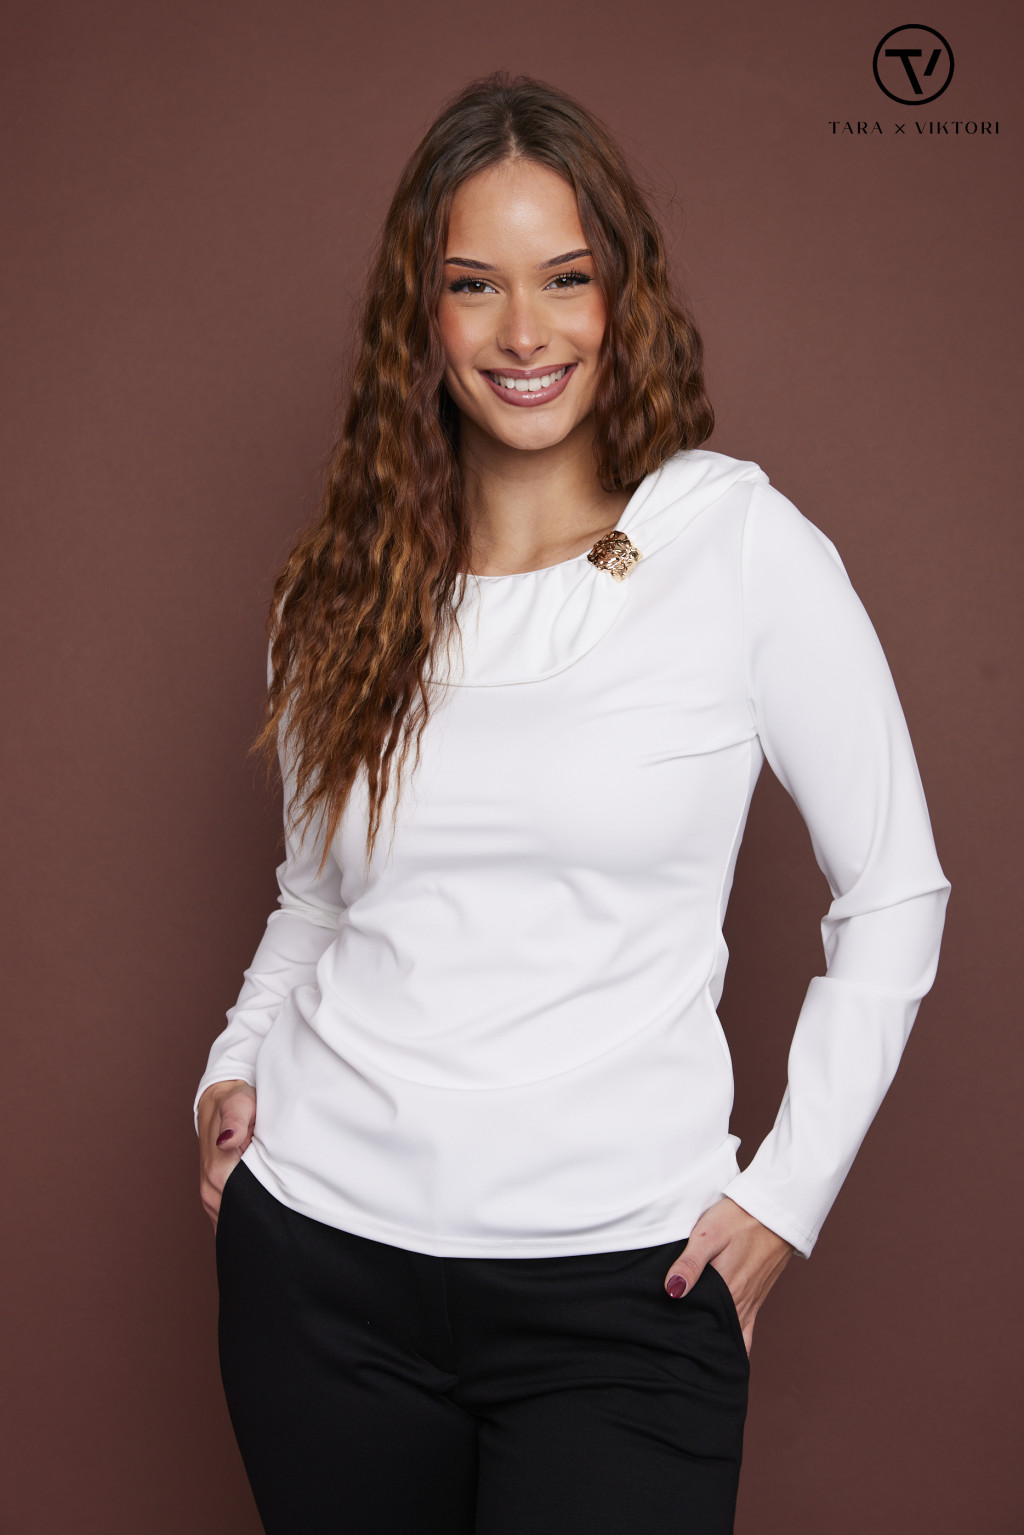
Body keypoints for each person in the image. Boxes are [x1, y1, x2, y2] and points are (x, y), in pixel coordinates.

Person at [194, 71, 950, 1535]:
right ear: (421, 316)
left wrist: (784, 1200)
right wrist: (231, 1067)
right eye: (473, 284)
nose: (523, 332)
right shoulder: (339, 592)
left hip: (621, 1293)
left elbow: (895, 893)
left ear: (624, 296)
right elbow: (318, 897)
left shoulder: (735, 545)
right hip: (320, 1274)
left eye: (565, 277)